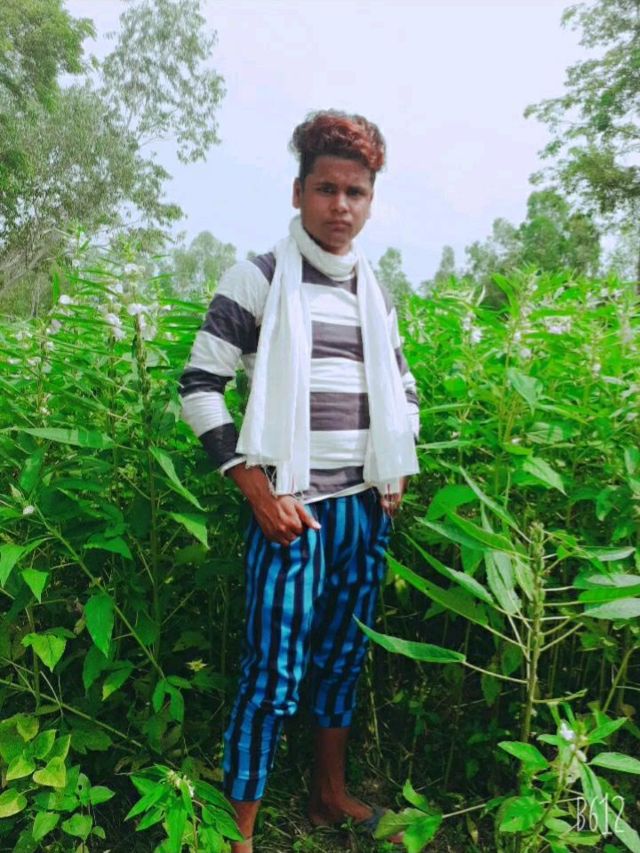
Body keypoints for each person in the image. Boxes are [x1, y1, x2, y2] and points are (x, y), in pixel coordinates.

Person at [179, 109, 420, 852]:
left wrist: (393, 463)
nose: (340, 206)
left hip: (363, 510)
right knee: (274, 673)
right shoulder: (259, 278)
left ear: (371, 200)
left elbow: (404, 391)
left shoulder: (372, 292)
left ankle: (328, 796)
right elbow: (200, 388)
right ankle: (239, 836)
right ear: (298, 192)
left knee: (343, 658)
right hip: (292, 511)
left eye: (356, 192)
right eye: (326, 189)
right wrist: (256, 488)